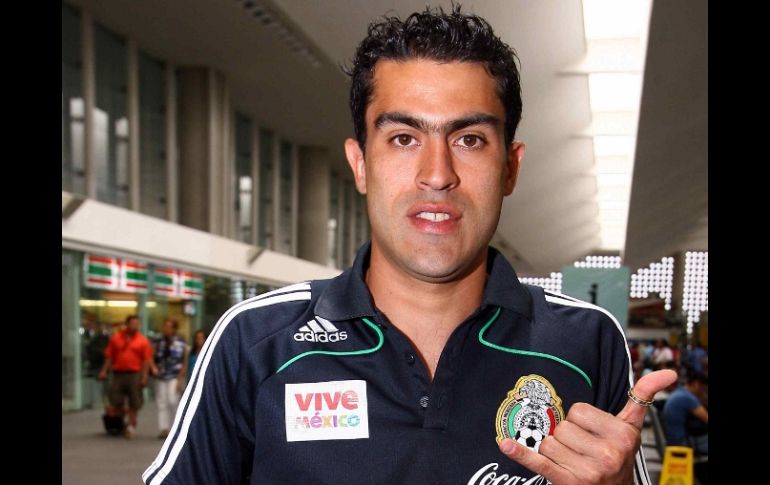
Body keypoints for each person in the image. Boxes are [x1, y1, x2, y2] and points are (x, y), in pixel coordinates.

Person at [143, 6, 675, 484]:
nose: (437, 174)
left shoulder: (586, 343)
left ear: (510, 167)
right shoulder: (257, 344)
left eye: (469, 140)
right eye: (403, 139)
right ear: (360, 163)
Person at [99, 314, 153, 439]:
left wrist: (145, 376)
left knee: (134, 402)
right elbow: (109, 356)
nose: (135, 326)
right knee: (116, 400)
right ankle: (120, 424)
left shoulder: (142, 340)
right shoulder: (116, 338)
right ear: (127, 324)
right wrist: (104, 371)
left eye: (137, 324)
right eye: (133, 323)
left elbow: (146, 360)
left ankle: (131, 426)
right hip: (118, 373)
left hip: (135, 374)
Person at [150, 319, 188, 439]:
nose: (166, 329)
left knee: (173, 400)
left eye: (169, 326)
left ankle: (176, 428)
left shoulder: (180, 342)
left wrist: (180, 378)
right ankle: (164, 428)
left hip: (174, 375)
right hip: (161, 375)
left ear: (174, 328)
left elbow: (184, 360)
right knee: (162, 402)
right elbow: (150, 355)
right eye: (165, 326)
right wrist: (153, 367)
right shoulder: (158, 342)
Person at [662, 372, 708, 454]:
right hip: (682, 443)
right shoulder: (687, 398)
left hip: (674, 440)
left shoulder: (679, 392)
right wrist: (704, 397)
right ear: (696, 384)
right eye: (704, 389)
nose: (704, 392)